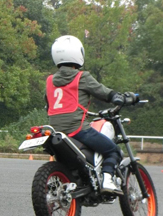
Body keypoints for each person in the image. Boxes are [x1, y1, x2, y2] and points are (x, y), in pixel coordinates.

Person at [45, 35, 134, 195]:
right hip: (77, 129)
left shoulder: (50, 80)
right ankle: (107, 180)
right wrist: (118, 97)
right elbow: (103, 92)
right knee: (113, 150)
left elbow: (49, 105)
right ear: (78, 54)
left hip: (54, 130)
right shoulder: (81, 77)